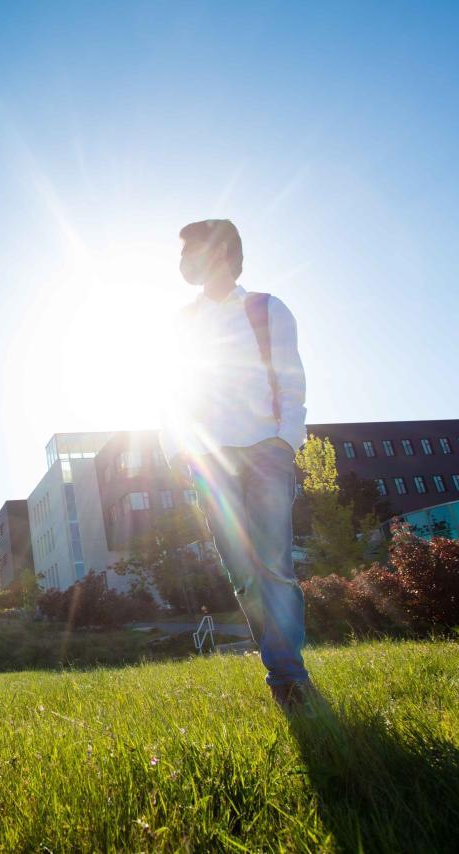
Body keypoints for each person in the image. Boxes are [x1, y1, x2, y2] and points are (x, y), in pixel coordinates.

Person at [159, 219, 316, 710]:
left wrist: (286, 441)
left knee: (274, 566)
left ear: (223, 252)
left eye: (192, 249)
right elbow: (170, 393)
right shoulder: (180, 323)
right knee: (243, 572)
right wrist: (178, 451)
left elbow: (291, 380)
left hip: (266, 451)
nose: (185, 260)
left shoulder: (266, 309)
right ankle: (284, 670)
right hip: (211, 460)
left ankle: (287, 678)